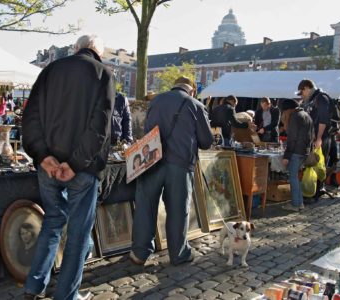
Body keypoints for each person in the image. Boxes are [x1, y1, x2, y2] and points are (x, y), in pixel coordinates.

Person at [22, 34, 114, 300]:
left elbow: (31, 116)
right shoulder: (103, 73)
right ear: (98, 52)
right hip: (80, 168)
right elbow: (100, 126)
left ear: (76, 48)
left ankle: (34, 286)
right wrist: (74, 163)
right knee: (77, 233)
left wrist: (43, 155)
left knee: (52, 222)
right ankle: (66, 295)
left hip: (52, 164)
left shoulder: (51, 70)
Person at [130, 76, 213, 266]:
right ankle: (179, 254)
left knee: (145, 206)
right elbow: (206, 142)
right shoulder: (195, 105)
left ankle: (139, 252)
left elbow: (147, 128)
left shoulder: (156, 100)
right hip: (180, 164)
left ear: (173, 86)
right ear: (191, 90)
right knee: (178, 210)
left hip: (151, 160)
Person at [298, 79, 332, 197]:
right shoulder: (311, 100)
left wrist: (319, 138)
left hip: (322, 137)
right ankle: (312, 191)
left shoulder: (320, 98)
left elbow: (323, 120)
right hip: (314, 137)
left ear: (306, 88)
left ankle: (317, 192)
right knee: (313, 163)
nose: (302, 96)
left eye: (302, 93)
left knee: (318, 164)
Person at [281, 99, 314, 212]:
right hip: (305, 151)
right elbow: (311, 136)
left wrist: (286, 156)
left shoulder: (295, 116)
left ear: (288, 110)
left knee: (293, 178)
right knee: (296, 178)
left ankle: (296, 204)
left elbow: (292, 138)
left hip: (296, 151)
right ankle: (299, 203)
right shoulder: (306, 115)